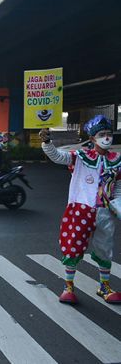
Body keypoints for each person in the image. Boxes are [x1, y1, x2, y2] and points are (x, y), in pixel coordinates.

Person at [40, 115, 121, 304]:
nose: (107, 138)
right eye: (102, 134)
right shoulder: (81, 156)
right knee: (73, 246)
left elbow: (118, 186)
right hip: (80, 209)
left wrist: (118, 203)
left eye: (109, 134)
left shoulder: (117, 160)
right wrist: (46, 142)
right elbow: (58, 156)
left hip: (105, 211)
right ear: (92, 139)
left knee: (104, 249)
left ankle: (104, 287)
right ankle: (68, 287)